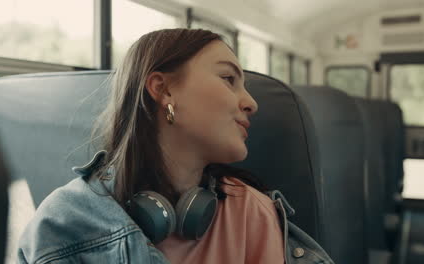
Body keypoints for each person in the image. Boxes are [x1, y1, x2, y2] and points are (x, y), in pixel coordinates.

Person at [18, 28, 333, 264]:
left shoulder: (251, 213)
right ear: (163, 90)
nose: (251, 103)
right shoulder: (61, 225)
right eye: (228, 79)